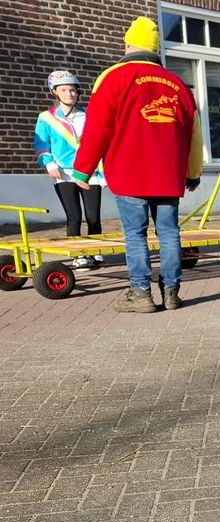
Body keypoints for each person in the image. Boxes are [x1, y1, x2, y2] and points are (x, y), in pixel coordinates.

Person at [71, 17, 203, 314]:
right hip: (168, 174)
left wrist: (83, 169)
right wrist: (193, 172)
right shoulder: (179, 83)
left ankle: (140, 294)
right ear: (155, 49)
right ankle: (171, 292)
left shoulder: (113, 77)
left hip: (129, 170)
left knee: (135, 234)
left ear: (128, 43)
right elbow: (194, 135)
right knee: (169, 232)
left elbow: (98, 127)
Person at [33, 70, 105, 269]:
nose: (70, 94)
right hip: (64, 173)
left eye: (73, 90)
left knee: (93, 215)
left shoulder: (88, 115)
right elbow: (41, 145)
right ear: (54, 92)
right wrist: (49, 163)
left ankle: (95, 250)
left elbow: (100, 140)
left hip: (89, 173)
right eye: (64, 90)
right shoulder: (46, 118)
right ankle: (78, 254)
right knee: (73, 215)